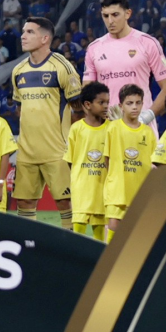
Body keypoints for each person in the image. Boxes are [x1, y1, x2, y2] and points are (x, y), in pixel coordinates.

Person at [11, 17, 81, 229]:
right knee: (24, 202)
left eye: (30, 32)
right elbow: (20, 109)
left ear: (45, 38)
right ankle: (28, 243)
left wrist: (75, 144)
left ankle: (70, 242)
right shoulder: (18, 70)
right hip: (27, 151)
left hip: (57, 149)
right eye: (23, 31)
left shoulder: (62, 66)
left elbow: (78, 109)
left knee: (65, 201)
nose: (23, 36)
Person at [82, 0, 166, 127]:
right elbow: (86, 93)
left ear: (128, 13)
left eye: (115, 15)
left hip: (141, 128)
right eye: (105, 16)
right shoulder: (94, 48)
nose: (110, 21)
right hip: (107, 128)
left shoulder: (148, 43)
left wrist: (147, 116)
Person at [103, 84, 155, 240]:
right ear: (121, 106)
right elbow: (106, 159)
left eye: (138, 103)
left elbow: (153, 162)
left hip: (139, 189)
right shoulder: (113, 128)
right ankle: (110, 254)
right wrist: (114, 177)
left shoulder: (148, 132)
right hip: (117, 188)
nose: (134, 107)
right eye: (129, 103)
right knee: (114, 224)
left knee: (136, 230)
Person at [65, 81, 111, 240]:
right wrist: (78, 178)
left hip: (103, 188)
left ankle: (99, 255)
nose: (106, 106)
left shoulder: (112, 128)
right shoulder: (76, 129)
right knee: (79, 229)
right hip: (81, 189)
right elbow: (70, 160)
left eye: (107, 102)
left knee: (99, 231)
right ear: (87, 105)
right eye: (101, 102)